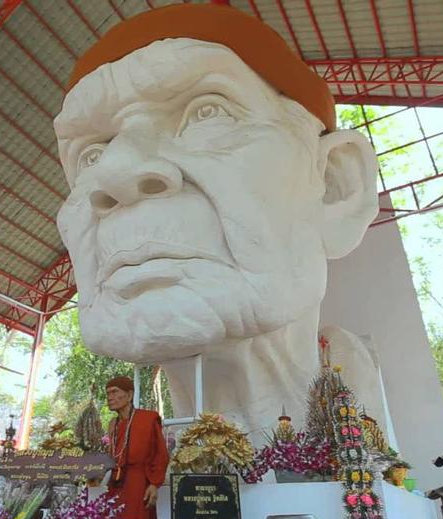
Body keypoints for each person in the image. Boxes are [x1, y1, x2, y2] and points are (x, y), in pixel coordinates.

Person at [54, 3, 386, 438]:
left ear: (335, 186)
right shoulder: (131, 442)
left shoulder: (356, 386)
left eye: (207, 111)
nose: (112, 174)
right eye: (90, 155)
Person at [105, 376, 168, 519]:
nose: (109, 397)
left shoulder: (148, 418)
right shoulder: (112, 424)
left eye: (115, 392)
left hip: (139, 482)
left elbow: (161, 454)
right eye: (108, 393)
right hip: (116, 484)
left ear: (129, 394)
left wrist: (154, 484)